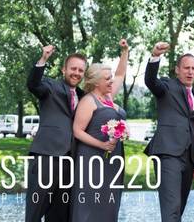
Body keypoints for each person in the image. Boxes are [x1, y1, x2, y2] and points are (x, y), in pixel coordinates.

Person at [145, 42, 194, 222]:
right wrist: (155, 55)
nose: (190, 71)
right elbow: (150, 81)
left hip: (189, 158)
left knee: (178, 209)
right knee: (171, 208)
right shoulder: (166, 86)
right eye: (186, 68)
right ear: (177, 70)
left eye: (193, 68)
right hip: (167, 153)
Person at [70, 39, 129, 222]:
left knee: (109, 206)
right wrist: (103, 145)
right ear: (96, 83)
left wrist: (125, 51)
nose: (112, 81)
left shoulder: (109, 96)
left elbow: (121, 74)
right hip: (92, 161)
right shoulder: (88, 101)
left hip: (113, 161)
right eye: (107, 79)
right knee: (90, 205)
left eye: (111, 78)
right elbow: (77, 131)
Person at [25, 45, 86, 222]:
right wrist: (43, 59)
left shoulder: (84, 96)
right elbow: (33, 84)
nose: (76, 73)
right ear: (64, 70)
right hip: (47, 157)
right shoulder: (50, 86)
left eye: (81, 70)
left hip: (70, 162)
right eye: (73, 68)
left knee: (60, 215)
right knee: (35, 211)